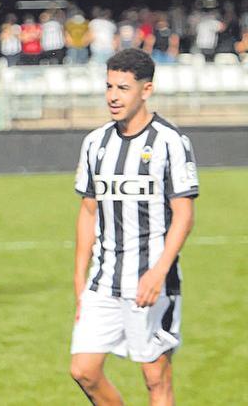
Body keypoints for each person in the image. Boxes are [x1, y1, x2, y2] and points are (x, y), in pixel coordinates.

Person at [69, 49, 196, 406]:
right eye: (108, 86)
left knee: (155, 377)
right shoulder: (95, 143)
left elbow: (183, 215)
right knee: (84, 370)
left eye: (123, 87)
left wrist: (159, 272)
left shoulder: (170, 142)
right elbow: (88, 212)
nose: (112, 96)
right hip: (103, 280)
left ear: (146, 89)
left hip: (151, 279)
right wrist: (80, 278)